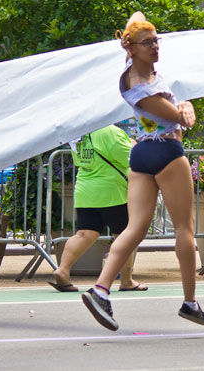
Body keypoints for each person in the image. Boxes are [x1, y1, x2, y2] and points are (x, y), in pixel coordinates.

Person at [81, 12, 204, 331]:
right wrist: (184, 108)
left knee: (135, 228)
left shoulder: (142, 71)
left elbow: (138, 16)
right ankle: (190, 302)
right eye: (147, 42)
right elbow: (178, 117)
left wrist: (184, 104)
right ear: (132, 48)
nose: (155, 46)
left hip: (141, 152)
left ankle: (100, 289)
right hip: (165, 150)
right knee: (185, 228)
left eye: (156, 40)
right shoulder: (138, 85)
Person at [49, 125, 146, 293]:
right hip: (112, 191)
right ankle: (126, 280)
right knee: (125, 235)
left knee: (84, 234)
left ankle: (63, 270)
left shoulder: (79, 133)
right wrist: (134, 144)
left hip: (85, 190)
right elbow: (131, 158)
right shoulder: (110, 131)